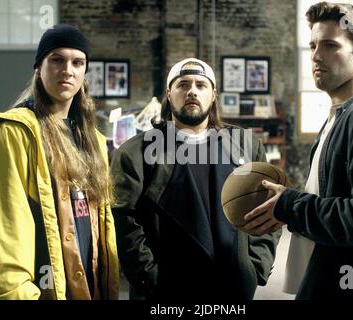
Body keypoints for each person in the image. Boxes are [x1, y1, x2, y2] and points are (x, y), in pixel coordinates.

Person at [242, 2, 353, 299]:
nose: (316, 56)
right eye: (312, 45)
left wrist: (291, 205)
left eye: (331, 45)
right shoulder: (343, 114)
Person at [110, 58, 279, 300]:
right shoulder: (135, 152)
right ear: (169, 94)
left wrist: (255, 266)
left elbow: (268, 207)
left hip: (231, 287)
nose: (192, 91)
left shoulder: (245, 146)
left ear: (213, 95)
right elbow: (124, 220)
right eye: (183, 85)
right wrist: (150, 279)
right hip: (167, 292)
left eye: (201, 85)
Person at [0, 24, 119, 300]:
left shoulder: (94, 140)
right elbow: (3, 230)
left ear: (84, 73)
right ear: (38, 68)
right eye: (57, 60)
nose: (68, 69)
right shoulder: (13, 134)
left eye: (78, 62)